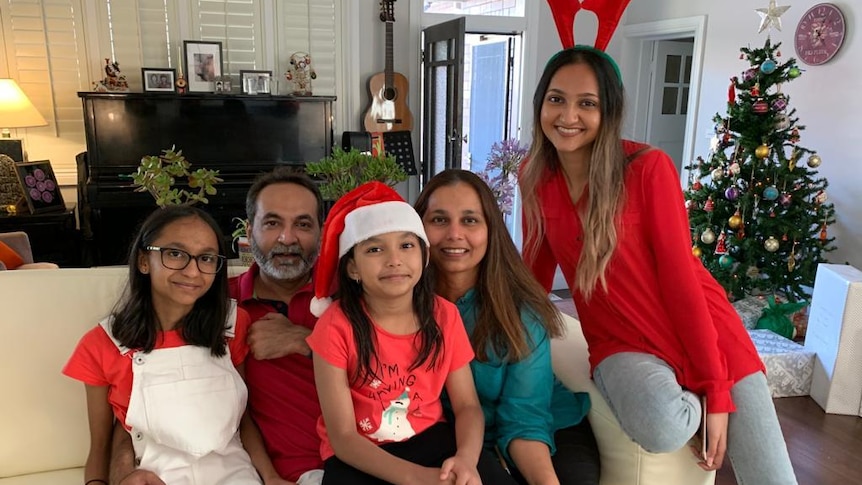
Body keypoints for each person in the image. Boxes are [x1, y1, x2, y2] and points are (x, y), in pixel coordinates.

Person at [520, 46, 798, 485]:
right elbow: (532, 276)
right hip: (622, 342)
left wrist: (717, 391)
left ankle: (698, 388)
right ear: (540, 103)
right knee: (665, 427)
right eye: (556, 99)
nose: (568, 115)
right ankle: (687, 396)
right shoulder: (533, 176)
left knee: (774, 478)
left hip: (705, 327)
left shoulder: (647, 168)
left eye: (586, 103)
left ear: (608, 111)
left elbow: (681, 281)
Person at [306, 182, 514, 485]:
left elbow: (467, 406)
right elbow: (343, 436)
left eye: (406, 245)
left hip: (434, 442)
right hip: (360, 457)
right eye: (375, 249)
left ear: (423, 256)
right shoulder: (335, 326)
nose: (394, 259)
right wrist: (419, 479)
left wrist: (466, 461)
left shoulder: (444, 316)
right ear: (352, 268)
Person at [415, 169, 600, 485]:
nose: (454, 234)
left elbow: (524, 418)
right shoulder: (401, 301)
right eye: (439, 220)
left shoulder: (520, 310)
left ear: (491, 230)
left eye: (470, 220)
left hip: (540, 423)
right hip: (457, 435)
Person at [63, 205, 261, 485]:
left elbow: (243, 419)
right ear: (144, 260)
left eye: (206, 258)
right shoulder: (102, 344)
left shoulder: (231, 326)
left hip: (235, 475)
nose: (193, 272)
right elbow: (100, 445)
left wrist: (272, 477)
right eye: (175, 254)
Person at [230, 168, 326, 485]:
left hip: (359, 463)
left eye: (302, 224)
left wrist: (309, 341)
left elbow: (395, 372)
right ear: (249, 230)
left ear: (321, 234)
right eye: (272, 223)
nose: (288, 238)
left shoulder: (349, 295)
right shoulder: (218, 302)